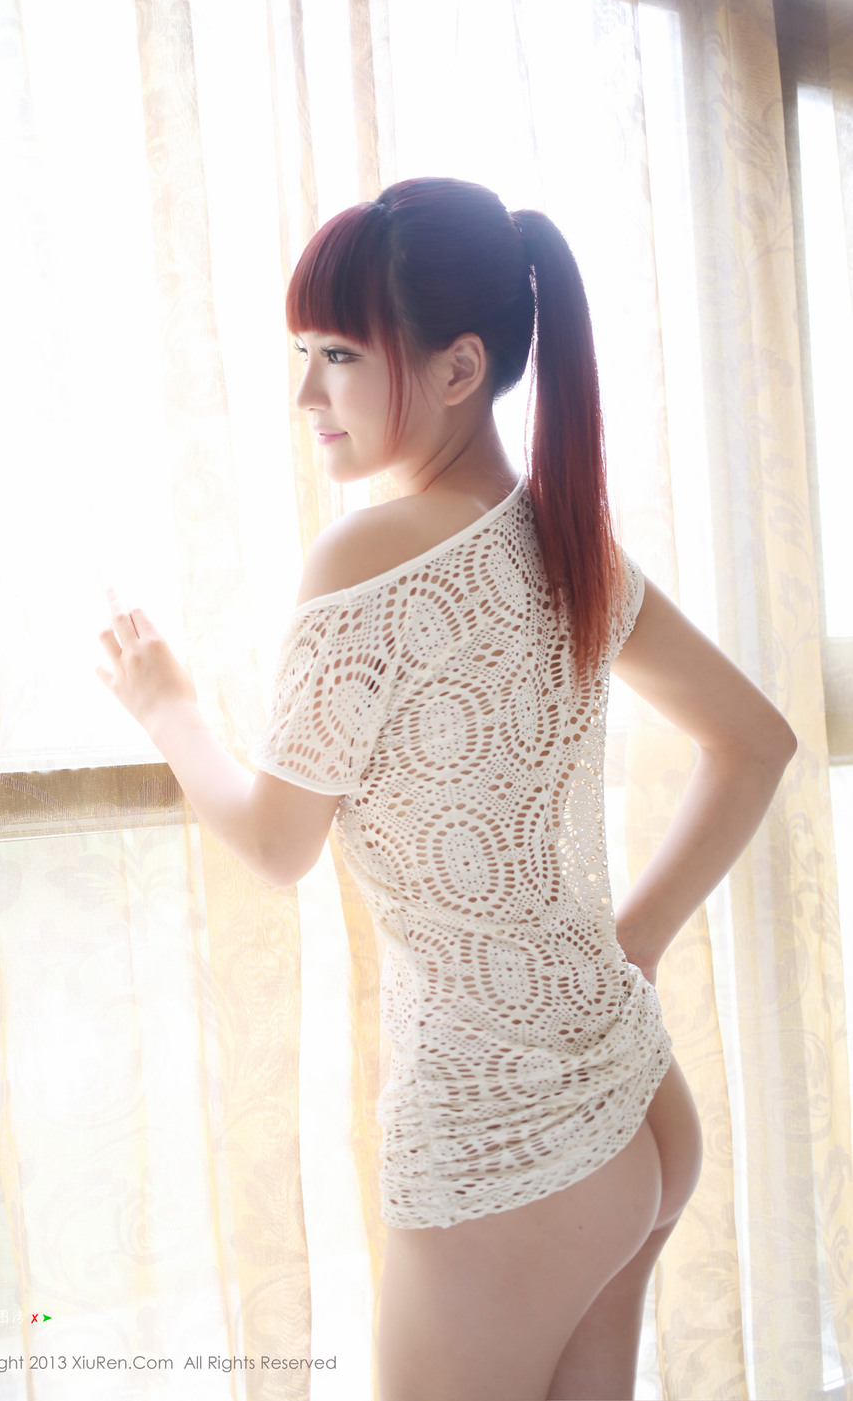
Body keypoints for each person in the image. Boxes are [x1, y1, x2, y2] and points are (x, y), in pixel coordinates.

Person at [97, 176, 797, 1401]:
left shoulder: (366, 558)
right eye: (303, 354)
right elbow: (756, 743)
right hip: (636, 1097)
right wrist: (630, 943)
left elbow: (274, 842)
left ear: (459, 367)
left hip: (506, 1144)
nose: (305, 396)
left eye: (337, 356)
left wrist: (170, 713)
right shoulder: (563, 544)